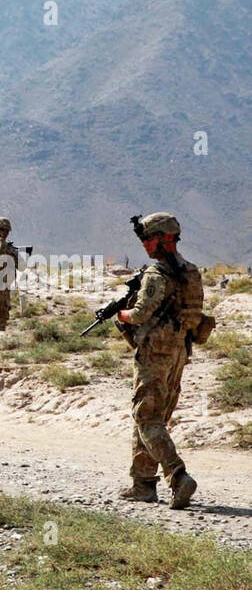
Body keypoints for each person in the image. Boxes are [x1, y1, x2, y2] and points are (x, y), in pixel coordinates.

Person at [116, 212, 203, 509]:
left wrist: (121, 314)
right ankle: (142, 484)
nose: (145, 246)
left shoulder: (157, 274)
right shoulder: (191, 271)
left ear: (163, 239)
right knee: (150, 418)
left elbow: (140, 314)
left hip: (155, 353)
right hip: (179, 352)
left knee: (146, 418)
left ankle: (178, 477)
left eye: (148, 239)